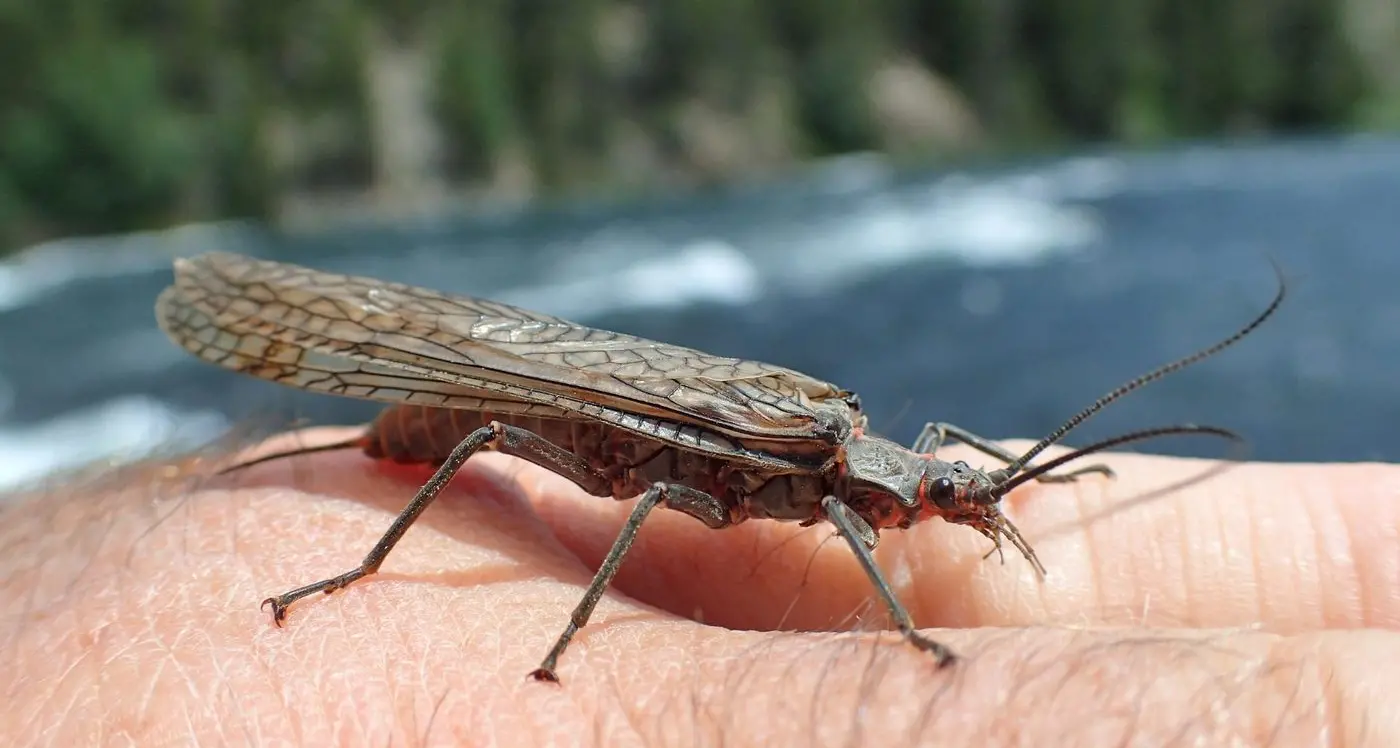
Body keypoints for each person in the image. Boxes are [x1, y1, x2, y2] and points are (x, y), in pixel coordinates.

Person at [2, 427, 1390, 745]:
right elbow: (824, 521)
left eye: (955, 501)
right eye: (948, 499)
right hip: (509, 418)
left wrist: (1000, 486)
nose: (940, 512)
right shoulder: (818, 479)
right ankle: (360, 566)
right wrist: (908, 633)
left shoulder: (870, 468)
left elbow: (899, 498)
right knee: (490, 434)